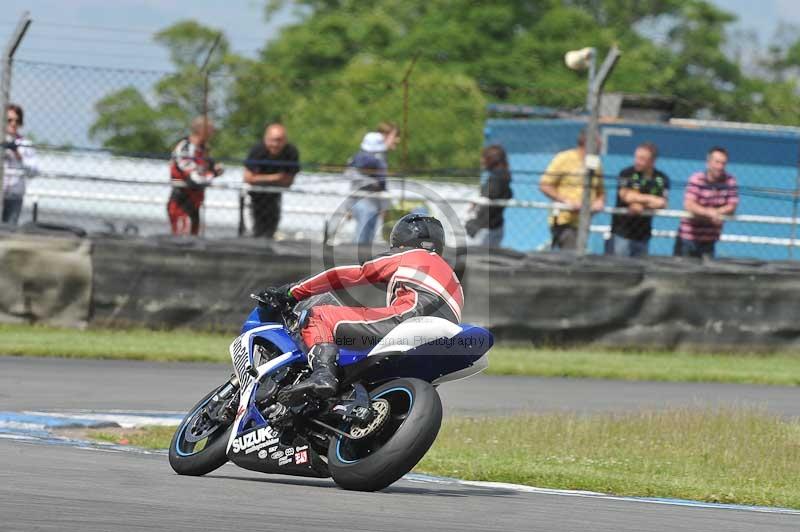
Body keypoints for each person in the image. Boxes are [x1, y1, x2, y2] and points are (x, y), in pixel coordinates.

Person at [258, 214, 463, 400]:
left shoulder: (407, 256)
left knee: (318, 316)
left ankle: (323, 374)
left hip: (408, 320)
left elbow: (346, 274)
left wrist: (291, 292)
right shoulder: (453, 277)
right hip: (441, 340)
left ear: (400, 242)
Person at [539, 129, 605, 250]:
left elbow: (600, 190)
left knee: (579, 254)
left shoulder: (595, 163)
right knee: (570, 256)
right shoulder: (564, 158)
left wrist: (599, 201)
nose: (601, 146)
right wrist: (567, 201)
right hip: (565, 220)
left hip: (584, 221)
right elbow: (545, 185)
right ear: (588, 143)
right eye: (599, 143)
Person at [674, 146, 739, 259]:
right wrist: (708, 213)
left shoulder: (730, 181)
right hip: (688, 238)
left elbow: (732, 205)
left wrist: (718, 212)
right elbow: (689, 204)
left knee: (705, 275)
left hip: (709, 240)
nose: (720, 167)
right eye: (717, 162)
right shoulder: (697, 179)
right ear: (708, 163)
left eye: (723, 163)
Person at [606, 142, 670, 257]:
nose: (637, 161)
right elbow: (625, 196)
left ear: (652, 161)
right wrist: (650, 199)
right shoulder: (626, 173)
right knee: (618, 268)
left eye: (642, 159)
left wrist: (641, 204)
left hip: (643, 235)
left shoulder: (661, 178)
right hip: (621, 233)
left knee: (638, 270)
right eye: (636, 157)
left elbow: (662, 202)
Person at [167, 116, 223, 235]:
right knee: (183, 242)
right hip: (182, 203)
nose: (213, 134)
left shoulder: (203, 150)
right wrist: (212, 174)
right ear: (202, 130)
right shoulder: (185, 148)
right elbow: (194, 178)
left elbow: (207, 171)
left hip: (195, 203)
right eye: (211, 130)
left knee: (193, 241)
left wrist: (214, 170)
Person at [244, 123, 300, 239]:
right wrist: (276, 178)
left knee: (271, 229)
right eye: (272, 140)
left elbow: (288, 181)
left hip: (274, 197)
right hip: (253, 195)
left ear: (285, 140)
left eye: (279, 140)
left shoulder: (291, 152)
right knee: (253, 231)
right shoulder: (257, 150)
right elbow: (248, 178)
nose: (275, 144)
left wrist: (261, 178)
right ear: (266, 139)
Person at [346, 122, 399, 245]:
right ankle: (357, 260)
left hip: (370, 203)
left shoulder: (359, 160)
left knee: (365, 237)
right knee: (362, 238)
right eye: (394, 135)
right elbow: (381, 185)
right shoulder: (376, 161)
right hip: (366, 203)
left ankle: (360, 261)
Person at [466, 144, 512, 248]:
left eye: (484, 158)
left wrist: (479, 201)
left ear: (491, 159)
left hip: (484, 228)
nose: (482, 161)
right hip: (493, 226)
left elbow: (492, 195)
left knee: (473, 257)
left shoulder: (498, 178)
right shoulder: (502, 176)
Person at [2, 104, 37, 225]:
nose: (13, 123)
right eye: (9, 120)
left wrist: (17, 153)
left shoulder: (26, 144)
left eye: (17, 120)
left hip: (14, 195)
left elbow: (33, 171)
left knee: (9, 230)